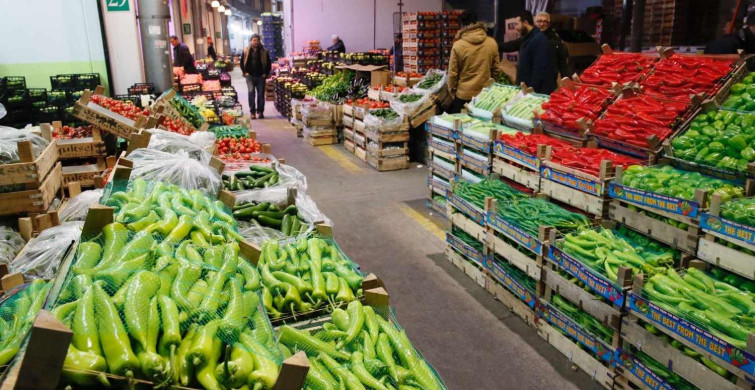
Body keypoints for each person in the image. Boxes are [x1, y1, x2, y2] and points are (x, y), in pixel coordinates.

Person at [446, 10, 501, 114]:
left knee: (462, 126)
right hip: (485, 96)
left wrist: (452, 91)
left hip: (463, 95)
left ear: (462, 25)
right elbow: (496, 70)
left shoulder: (458, 45)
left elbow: (452, 73)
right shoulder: (492, 42)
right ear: (477, 22)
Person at [498, 11, 550, 94]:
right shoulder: (527, 38)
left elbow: (539, 67)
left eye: (517, 24)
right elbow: (509, 46)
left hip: (532, 90)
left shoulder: (539, 39)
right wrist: (490, 42)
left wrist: (531, 90)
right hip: (524, 88)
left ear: (525, 23)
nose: (516, 28)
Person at [535, 11, 570, 90]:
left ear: (549, 24)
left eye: (545, 21)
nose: (542, 24)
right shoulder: (530, 38)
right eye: (539, 21)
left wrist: (567, 79)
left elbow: (562, 62)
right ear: (535, 22)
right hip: (532, 79)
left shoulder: (555, 39)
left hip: (549, 80)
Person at [240, 34, 272, 119]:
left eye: (257, 40)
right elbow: (241, 63)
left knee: (261, 94)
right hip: (249, 76)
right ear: (251, 41)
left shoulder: (264, 51)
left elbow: (269, 63)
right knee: (251, 94)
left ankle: (260, 112)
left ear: (259, 41)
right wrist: (245, 72)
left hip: (260, 76)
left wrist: (265, 73)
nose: (256, 42)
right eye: (254, 40)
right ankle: (252, 112)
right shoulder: (246, 50)